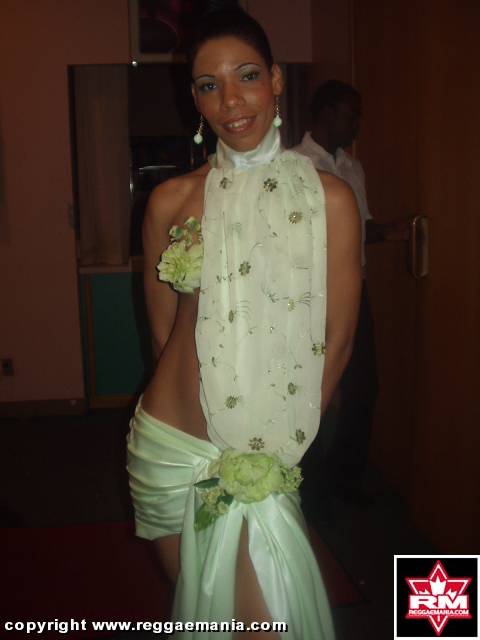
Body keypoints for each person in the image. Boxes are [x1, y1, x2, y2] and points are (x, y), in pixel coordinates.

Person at [127, 12, 361, 639]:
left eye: (247, 76)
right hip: (168, 449)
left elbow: (337, 340)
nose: (230, 101)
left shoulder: (331, 200)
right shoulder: (170, 201)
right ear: (195, 99)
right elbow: (164, 334)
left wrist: (274, 447)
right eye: (209, 85)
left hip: (259, 453)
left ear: (277, 80)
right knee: (207, 615)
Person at [294, 80, 407, 509]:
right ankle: (309, 487)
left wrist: (397, 231)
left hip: (355, 293)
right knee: (313, 392)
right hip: (309, 298)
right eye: (351, 114)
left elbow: (360, 230)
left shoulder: (352, 168)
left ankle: (345, 481)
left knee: (363, 387)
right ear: (326, 113)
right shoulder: (294, 167)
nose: (357, 123)